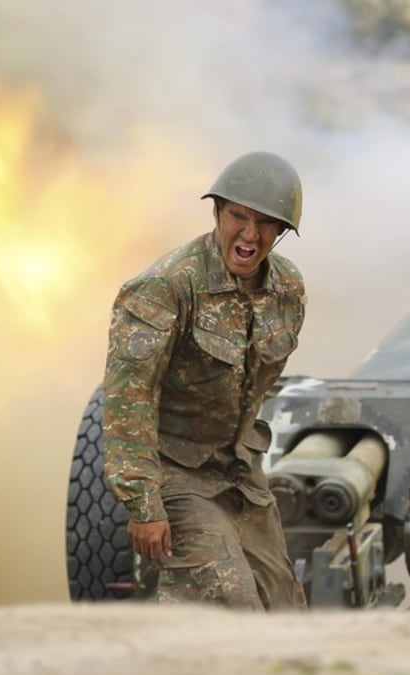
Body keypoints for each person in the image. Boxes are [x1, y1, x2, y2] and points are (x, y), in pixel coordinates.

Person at [101, 151, 308, 610]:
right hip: (173, 470)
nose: (250, 235)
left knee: (286, 611)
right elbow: (128, 398)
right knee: (229, 605)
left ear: (281, 232)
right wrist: (143, 505)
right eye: (238, 216)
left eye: (266, 223)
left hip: (239, 470)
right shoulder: (166, 287)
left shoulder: (287, 289)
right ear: (217, 211)